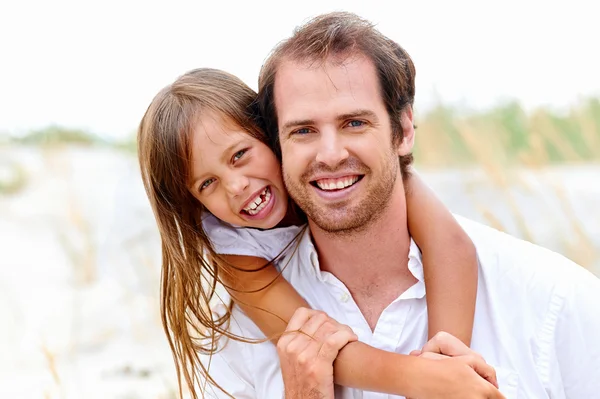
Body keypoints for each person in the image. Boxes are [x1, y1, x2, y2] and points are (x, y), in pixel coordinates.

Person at [201, 11, 600, 399]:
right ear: (279, 146)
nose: (330, 154)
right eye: (303, 130)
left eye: (354, 123)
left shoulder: (555, 302)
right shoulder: (240, 337)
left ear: (404, 130)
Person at [137, 68, 503, 398]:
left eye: (239, 155)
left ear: (272, 135)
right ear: (195, 202)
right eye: (207, 183)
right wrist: (425, 379)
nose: (235, 186)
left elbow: (451, 245)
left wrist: (450, 359)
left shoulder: (367, 178)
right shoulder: (232, 247)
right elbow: (314, 342)